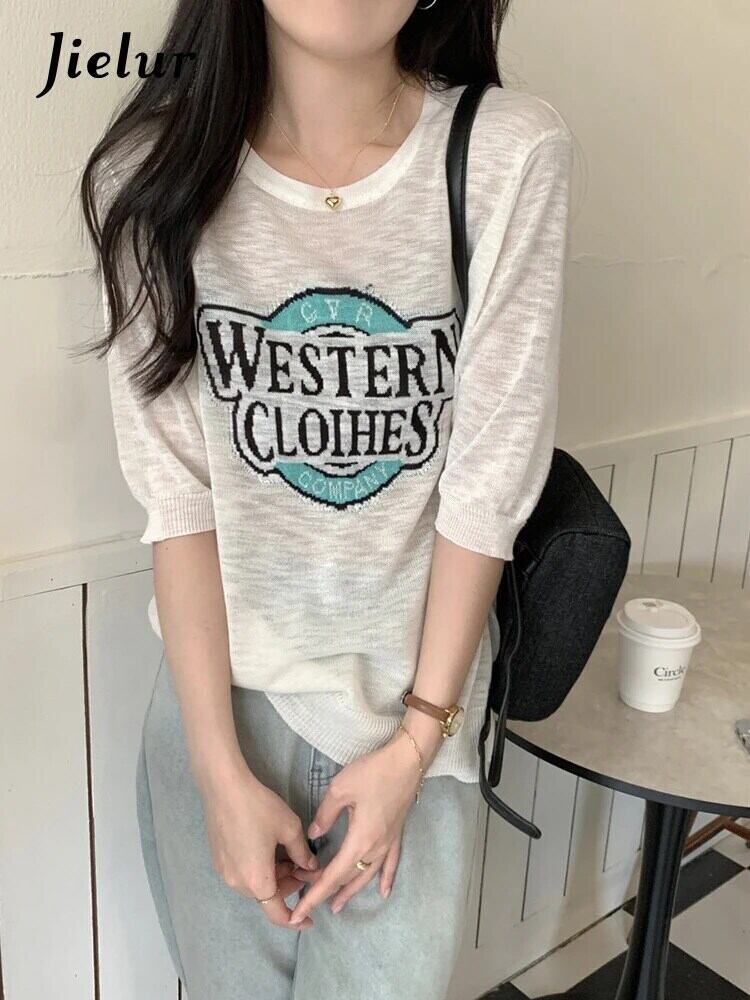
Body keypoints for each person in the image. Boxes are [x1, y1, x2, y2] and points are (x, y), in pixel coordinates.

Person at [80, 1, 573, 997]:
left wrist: (414, 747)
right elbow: (178, 501)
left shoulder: (506, 155)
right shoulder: (148, 178)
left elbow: (486, 489)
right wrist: (219, 772)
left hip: (412, 734)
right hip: (218, 715)